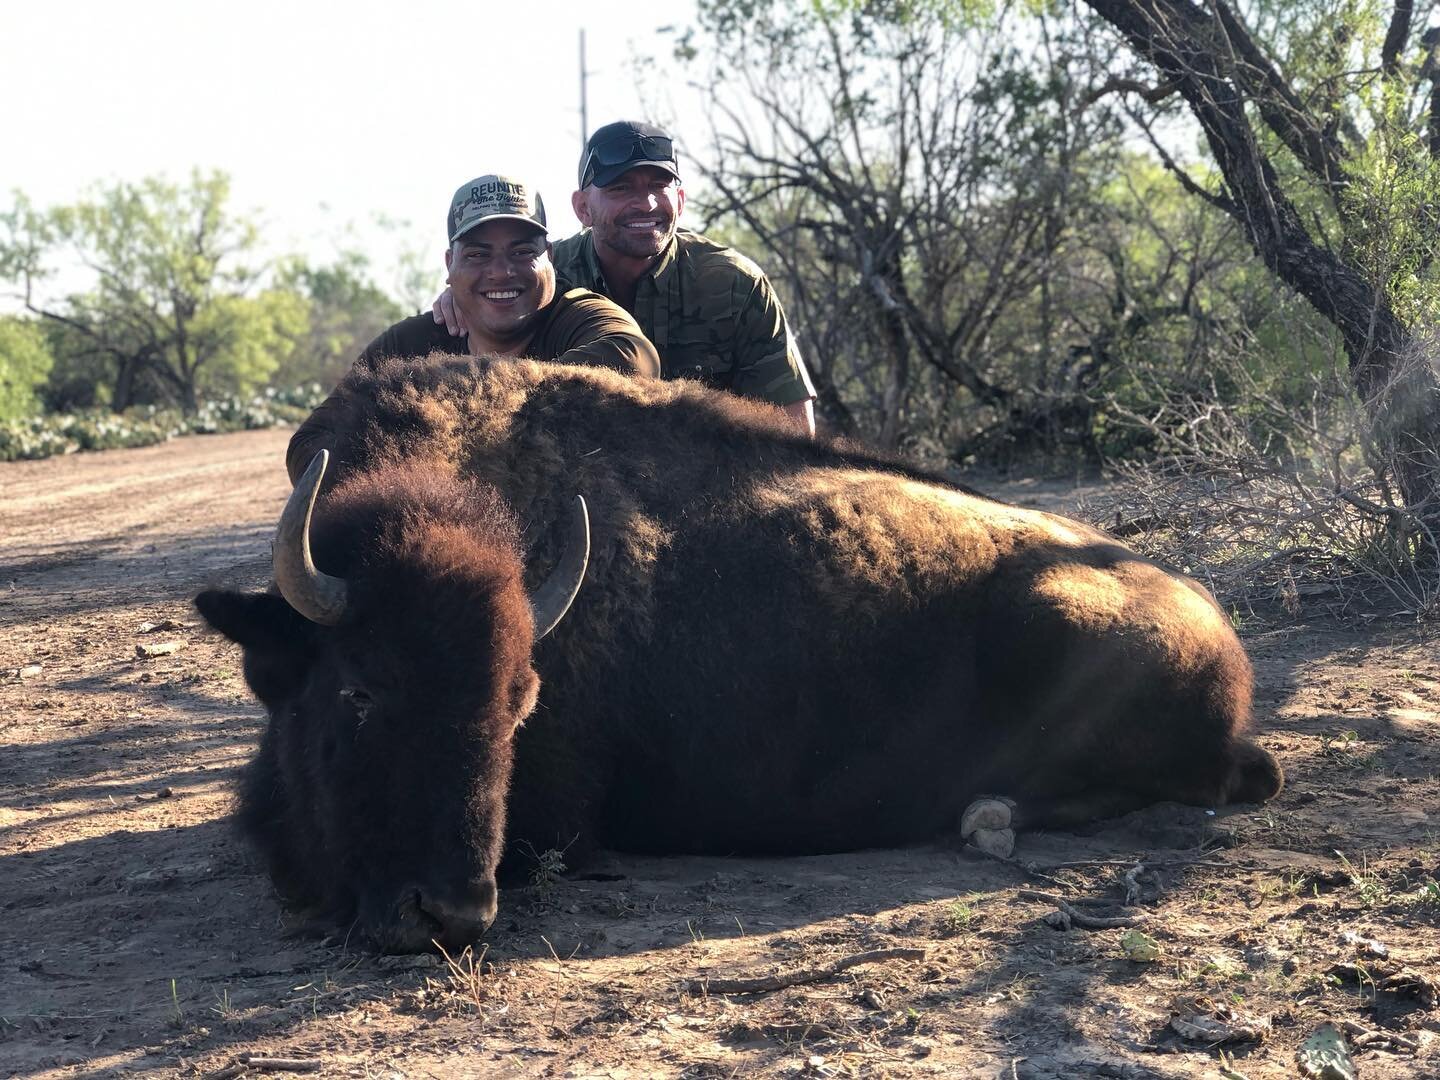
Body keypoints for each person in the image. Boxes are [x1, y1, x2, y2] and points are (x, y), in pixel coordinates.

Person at [434, 122, 818, 436]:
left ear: (680, 201)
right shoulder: (542, 275)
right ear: (582, 207)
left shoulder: (736, 285)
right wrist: (464, 297)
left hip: (711, 496)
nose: (645, 203)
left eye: (659, 186)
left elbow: (795, 434)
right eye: (621, 188)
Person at [288, 173, 660, 483]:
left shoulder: (580, 315)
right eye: (478, 254)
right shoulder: (415, 340)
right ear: (450, 265)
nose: (501, 271)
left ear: (550, 256)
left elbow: (633, 356)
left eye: (522, 252)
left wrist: (463, 407)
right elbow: (311, 444)